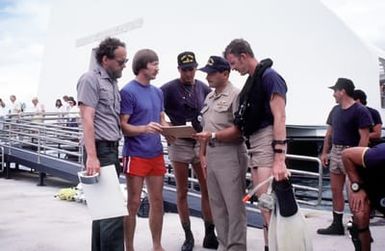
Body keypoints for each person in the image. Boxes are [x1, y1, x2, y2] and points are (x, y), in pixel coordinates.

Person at [224, 38, 289, 251]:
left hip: (265, 141)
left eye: (233, 63)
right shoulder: (254, 80)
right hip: (254, 144)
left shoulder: (270, 78)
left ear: (243, 56)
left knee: (269, 203)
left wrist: (279, 159)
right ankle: (269, 245)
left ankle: (278, 246)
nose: (233, 69)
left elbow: (280, 117)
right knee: (264, 204)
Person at [160, 51, 218, 251]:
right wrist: (166, 128)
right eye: (185, 70)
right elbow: (158, 111)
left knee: (206, 189)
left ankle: (210, 232)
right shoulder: (167, 89)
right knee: (182, 190)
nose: (189, 73)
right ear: (179, 70)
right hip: (178, 142)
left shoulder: (202, 87)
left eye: (192, 69)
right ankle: (188, 235)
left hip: (199, 142)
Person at [77, 37, 127, 251]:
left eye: (125, 61)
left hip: (110, 149)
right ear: (105, 59)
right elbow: (87, 119)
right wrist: (92, 156)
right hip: (99, 150)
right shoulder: (90, 79)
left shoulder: (112, 82)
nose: (123, 65)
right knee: (112, 214)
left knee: (103, 212)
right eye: (120, 61)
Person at [195, 56, 248, 250]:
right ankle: (225, 245)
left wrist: (214, 136)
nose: (207, 76)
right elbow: (206, 127)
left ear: (225, 73)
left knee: (234, 207)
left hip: (230, 153)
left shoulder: (236, 95)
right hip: (211, 154)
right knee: (217, 206)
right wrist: (202, 155)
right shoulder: (209, 96)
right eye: (207, 73)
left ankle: (236, 247)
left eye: (212, 73)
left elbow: (240, 130)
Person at [120, 49, 167, 251]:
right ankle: (129, 248)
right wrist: (144, 128)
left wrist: (171, 131)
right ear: (142, 67)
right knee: (133, 203)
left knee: (157, 201)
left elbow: (161, 119)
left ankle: (157, 245)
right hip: (135, 154)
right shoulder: (128, 92)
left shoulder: (158, 92)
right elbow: (123, 126)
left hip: (156, 153)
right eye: (154, 64)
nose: (157, 67)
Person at [317, 78, 372, 235]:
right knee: (336, 189)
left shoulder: (360, 111)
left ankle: (358, 224)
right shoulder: (335, 110)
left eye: (335, 91)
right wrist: (325, 152)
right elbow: (329, 133)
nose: (333, 94)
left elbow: (365, 136)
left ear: (343, 91)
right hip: (336, 151)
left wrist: (358, 157)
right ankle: (337, 224)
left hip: (351, 152)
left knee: (353, 191)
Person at [341, 144, 385, 251]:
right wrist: (357, 188)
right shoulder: (378, 155)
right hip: (362, 182)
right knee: (361, 215)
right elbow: (347, 155)